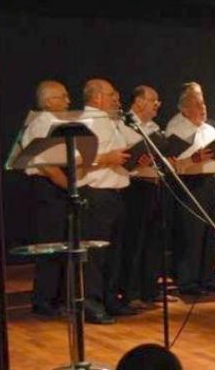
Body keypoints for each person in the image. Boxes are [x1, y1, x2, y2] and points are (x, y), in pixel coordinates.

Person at [166, 84, 215, 295]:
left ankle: (207, 277)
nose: (203, 108)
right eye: (197, 104)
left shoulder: (210, 129)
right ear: (184, 109)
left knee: (209, 233)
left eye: (204, 103)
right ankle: (188, 281)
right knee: (192, 234)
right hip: (192, 184)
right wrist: (193, 159)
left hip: (214, 183)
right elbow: (173, 165)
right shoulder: (176, 129)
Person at [78, 78, 136, 323]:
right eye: (112, 94)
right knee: (95, 255)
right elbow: (75, 158)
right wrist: (107, 158)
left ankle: (110, 299)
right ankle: (92, 303)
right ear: (97, 97)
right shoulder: (84, 121)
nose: (117, 99)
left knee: (115, 252)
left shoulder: (112, 121)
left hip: (117, 194)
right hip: (96, 193)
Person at [23, 80, 71, 317]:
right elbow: (48, 165)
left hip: (58, 186)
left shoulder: (55, 123)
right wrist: (72, 188)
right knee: (50, 248)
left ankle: (57, 299)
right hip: (48, 188)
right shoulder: (42, 124)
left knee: (62, 245)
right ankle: (44, 302)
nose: (68, 101)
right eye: (63, 96)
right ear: (49, 101)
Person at [120, 85, 166, 310]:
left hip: (154, 185)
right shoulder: (125, 123)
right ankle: (131, 292)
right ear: (138, 101)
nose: (157, 104)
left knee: (153, 240)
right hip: (134, 186)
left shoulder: (154, 127)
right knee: (134, 242)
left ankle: (150, 289)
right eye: (153, 100)